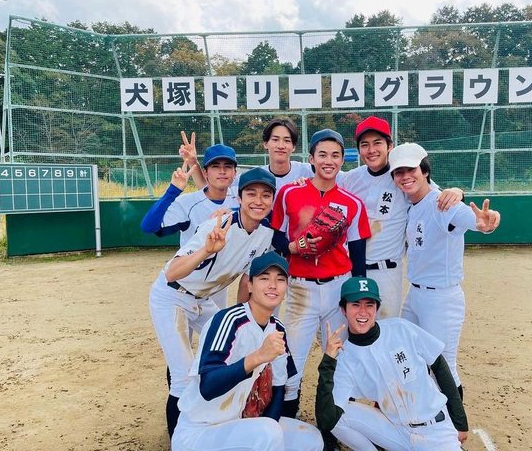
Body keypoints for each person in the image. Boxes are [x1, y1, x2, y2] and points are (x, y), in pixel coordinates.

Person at [148, 167, 277, 439]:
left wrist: (244, 320)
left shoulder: (265, 233)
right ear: (239, 198)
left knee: (235, 352)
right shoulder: (217, 225)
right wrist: (206, 250)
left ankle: (220, 420)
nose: (258, 200)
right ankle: (180, 441)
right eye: (251, 194)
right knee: (183, 378)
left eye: (266, 195)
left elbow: (246, 280)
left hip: (203, 300)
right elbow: (172, 272)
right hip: (172, 296)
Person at [171, 251, 324, 451]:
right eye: (264, 278)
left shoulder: (277, 329)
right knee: (268, 432)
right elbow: (207, 387)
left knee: (311, 439)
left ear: (286, 288)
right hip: (200, 431)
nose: (273, 285)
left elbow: (279, 388)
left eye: (280, 279)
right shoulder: (228, 320)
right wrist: (256, 357)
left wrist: (267, 427)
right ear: (249, 285)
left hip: (239, 425)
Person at [270, 129, 371, 421]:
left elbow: (358, 253)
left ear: (342, 160)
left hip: (338, 287)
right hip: (301, 288)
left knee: (339, 359)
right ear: (311, 159)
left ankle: (333, 425)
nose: (329, 161)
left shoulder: (352, 203)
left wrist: (357, 297)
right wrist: (291, 247)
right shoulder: (289, 193)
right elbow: (275, 236)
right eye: (322, 154)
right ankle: (286, 423)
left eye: (335, 155)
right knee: (292, 361)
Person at [389, 142, 501, 397]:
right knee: (406, 352)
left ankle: (455, 419)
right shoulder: (413, 202)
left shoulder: (442, 203)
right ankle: (422, 410)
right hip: (415, 294)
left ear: (425, 171)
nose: (405, 177)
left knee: (443, 366)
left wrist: (485, 223)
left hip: (441, 298)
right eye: (399, 172)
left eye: (411, 170)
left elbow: (472, 220)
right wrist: (458, 190)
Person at [316, 276, 469, 450]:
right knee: (340, 417)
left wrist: (460, 421)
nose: (363, 312)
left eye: (369, 305)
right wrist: (328, 361)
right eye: (355, 305)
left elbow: (439, 365)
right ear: (344, 309)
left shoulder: (401, 328)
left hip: (436, 430)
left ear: (377, 308)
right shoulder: (345, 357)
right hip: (397, 432)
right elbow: (327, 420)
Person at [338, 116, 463, 318]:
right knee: (350, 326)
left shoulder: (403, 177)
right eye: (365, 145)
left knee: (386, 328)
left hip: (386, 271)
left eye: (377, 143)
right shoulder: (350, 178)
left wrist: (458, 192)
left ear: (390, 146)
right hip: (350, 267)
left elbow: (435, 195)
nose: (371, 150)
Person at [185, 117, 313, 196]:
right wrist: (192, 162)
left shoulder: (309, 171)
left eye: (287, 140)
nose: (280, 145)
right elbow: (210, 191)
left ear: (293, 146)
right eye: (275, 140)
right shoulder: (253, 177)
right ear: (265, 143)